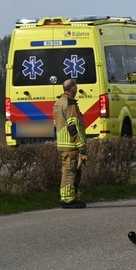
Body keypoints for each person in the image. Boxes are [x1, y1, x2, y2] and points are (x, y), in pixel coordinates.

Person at [53, 79, 87, 209]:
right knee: (70, 170)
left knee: (71, 170)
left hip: (63, 143)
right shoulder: (70, 104)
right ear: (73, 89)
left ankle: (71, 196)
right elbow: (72, 126)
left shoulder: (58, 103)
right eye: (76, 87)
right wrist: (81, 146)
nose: (77, 90)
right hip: (71, 144)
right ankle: (67, 199)